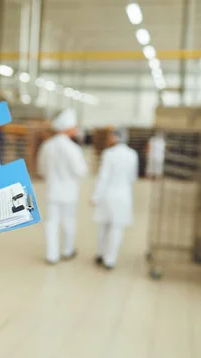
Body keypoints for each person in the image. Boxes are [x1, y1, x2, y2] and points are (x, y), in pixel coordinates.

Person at [38, 109, 88, 265]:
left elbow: (41, 169)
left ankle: (51, 255)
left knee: (51, 223)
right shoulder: (72, 148)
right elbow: (81, 171)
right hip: (69, 193)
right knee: (68, 221)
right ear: (68, 129)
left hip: (52, 191)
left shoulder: (47, 146)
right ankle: (67, 250)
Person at [91, 127, 139, 270]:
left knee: (103, 226)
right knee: (117, 228)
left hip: (107, 195)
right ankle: (110, 260)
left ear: (116, 137)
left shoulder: (108, 154)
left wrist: (95, 196)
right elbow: (133, 178)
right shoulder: (132, 154)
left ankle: (100, 254)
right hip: (123, 195)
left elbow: (103, 177)